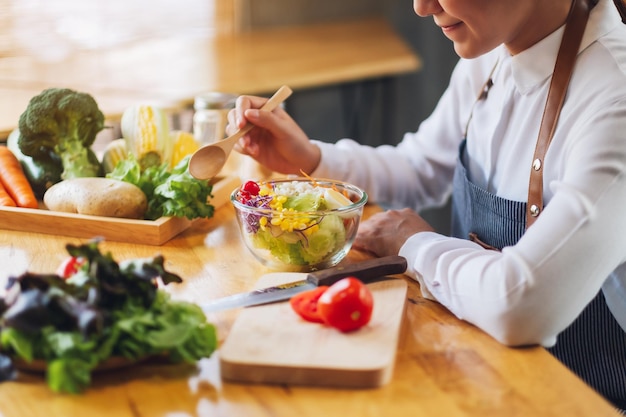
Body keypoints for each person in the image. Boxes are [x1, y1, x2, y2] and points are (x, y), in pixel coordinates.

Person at [225, 0, 626, 410]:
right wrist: (308, 159)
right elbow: (421, 166)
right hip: (485, 378)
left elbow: (521, 303)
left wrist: (413, 243)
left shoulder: (615, 100)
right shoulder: (493, 53)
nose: (421, 6)